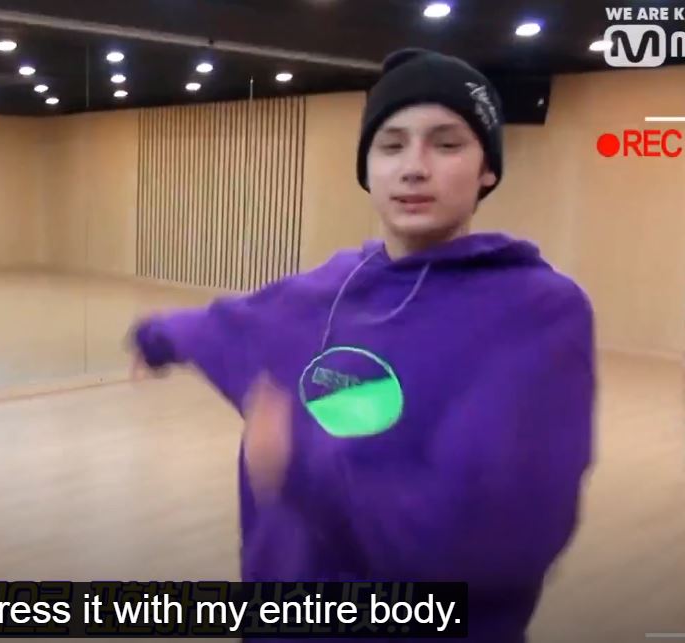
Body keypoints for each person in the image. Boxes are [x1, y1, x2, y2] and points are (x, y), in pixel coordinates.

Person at [129, 48, 595, 641]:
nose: (414, 168)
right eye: (391, 145)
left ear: (487, 169)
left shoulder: (535, 312)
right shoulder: (331, 286)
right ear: (367, 167)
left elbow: (489, 539)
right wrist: (156, 338)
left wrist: (298, 465)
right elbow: (230, 325)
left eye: (447, 144)